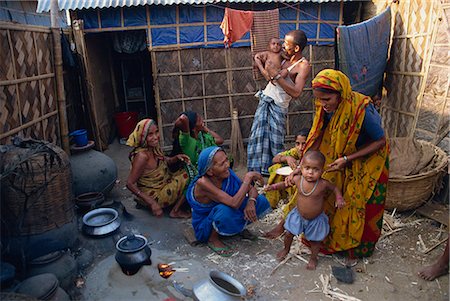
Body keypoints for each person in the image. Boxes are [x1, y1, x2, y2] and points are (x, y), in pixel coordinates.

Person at [266, 69, 389, 263]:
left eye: (327, 99)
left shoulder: (361, 109)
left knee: (358, 202)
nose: (323, 105)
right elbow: (317, 136)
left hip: (367, 159)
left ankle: (356, 249)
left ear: (341, 94)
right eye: (319, 100)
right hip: (339, 155)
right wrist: (299, 167)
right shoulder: (325, 107)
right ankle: (329, 241)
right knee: (323, 194)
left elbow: (381, 141)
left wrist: (348, 158)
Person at [186, 146, 271, 257]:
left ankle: (237, 228)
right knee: (224, 211)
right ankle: (213, 238)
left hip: (228, 209)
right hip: (206, 223)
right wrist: (247, 178)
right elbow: (233, 203)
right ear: (210, 171)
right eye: (222, 164)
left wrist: (251, 202)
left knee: (260, 201)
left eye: (227, 160)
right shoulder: (203, 183)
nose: (227, 165)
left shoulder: (227, 174)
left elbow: (252, 190)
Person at [247, 30, 311, 175]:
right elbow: (259, 58)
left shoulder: (303, 66)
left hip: (278, 107)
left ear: (296, 48)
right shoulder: (282, 58)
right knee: (258, 138)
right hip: (266, 100)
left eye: (286, 44)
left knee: (275, 141)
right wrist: (265, 70)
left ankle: (276, 174)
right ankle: (259, 173)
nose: (282, 47)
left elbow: (296, 92)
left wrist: (276, 76)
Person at [275, 150, 345, 270]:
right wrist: (273, 187)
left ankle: (313, 258)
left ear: (322, 171)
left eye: (315, 169)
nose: (310, 172)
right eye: (307, 168)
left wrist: (339, 198)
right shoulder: (298, 179)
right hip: (298, 216)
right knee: (288, 234)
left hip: (316, 219)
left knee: (315, 241)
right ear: (301, 168)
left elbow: (334, 188)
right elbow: (285, 184)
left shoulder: (323, 184)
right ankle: (286, 249)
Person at [126, 118, 191, 218]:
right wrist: (152, 203)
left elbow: (164, 160)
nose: (155, 137)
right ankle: (175, 211)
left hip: (163, 184)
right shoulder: (142, 156)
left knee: (187, 169)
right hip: (155, 196)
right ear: (142, 137)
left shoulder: (153, 148)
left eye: (156, 132)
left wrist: (176, 158)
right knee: (191, 176)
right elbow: (129, 184)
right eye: (150, 134)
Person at [264, 128, 309, 208]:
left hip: (306, 184)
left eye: (304, 144)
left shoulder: (313, 154)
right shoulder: (296, 151)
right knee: (276, 167)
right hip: (292, 179)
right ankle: (275, 201)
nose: (300, 148)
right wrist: (287, 158)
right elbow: (275, 159)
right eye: (297, 144)